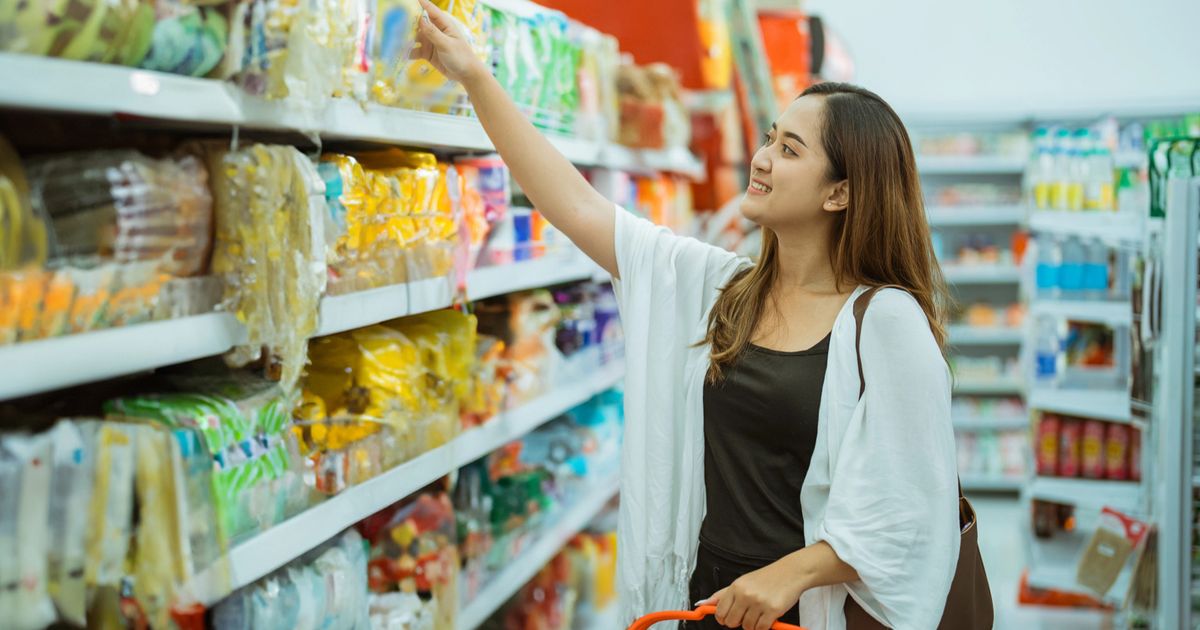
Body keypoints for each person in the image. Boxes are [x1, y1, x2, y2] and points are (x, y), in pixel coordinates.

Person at [412, 1, 962, 628]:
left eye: (789, 149)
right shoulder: (720, 289)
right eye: (768, 138)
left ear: (840, 192)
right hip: (705, 604)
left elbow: (912, 508)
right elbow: (575, 206)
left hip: (800, 613)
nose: (761, 158)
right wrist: (476, 76)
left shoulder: (886, 322)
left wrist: (795, 572)